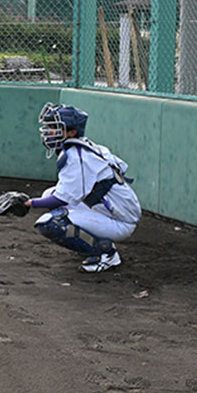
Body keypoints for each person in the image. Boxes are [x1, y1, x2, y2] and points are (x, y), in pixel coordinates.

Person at [26, 103, 141, 273]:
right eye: (49, 127)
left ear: (72, 132)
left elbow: (61, 199)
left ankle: (106, 254)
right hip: (110, 209)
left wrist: (29, 203)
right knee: (49, 194)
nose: (49, 132)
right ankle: (93, 242)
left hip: (120, 221)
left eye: (55, 128)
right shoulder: (83, 146)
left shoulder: (76, 156)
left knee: (51, 222)